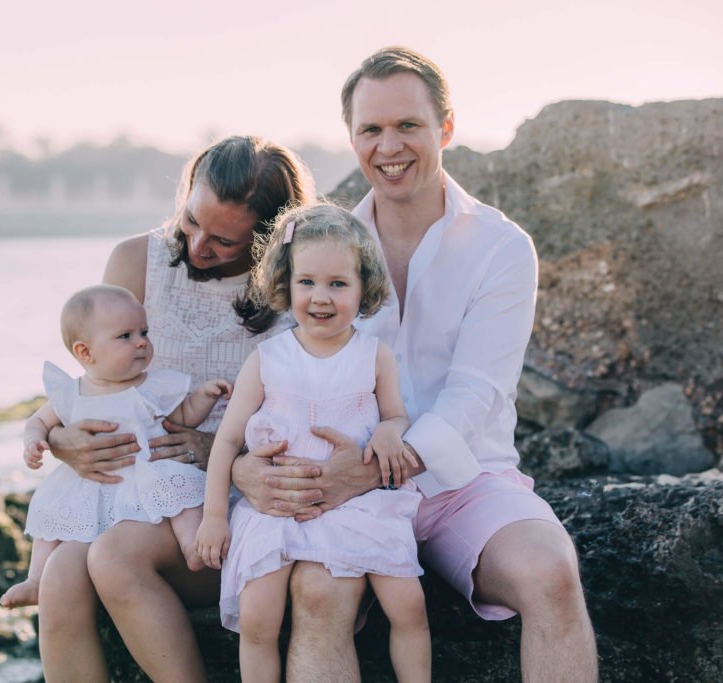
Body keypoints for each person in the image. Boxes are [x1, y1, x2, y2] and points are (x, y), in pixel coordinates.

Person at [231, 47, 599, 681]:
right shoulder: (324, 245)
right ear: (352, 138)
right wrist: (243, 468)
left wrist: (371, 473)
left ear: (446, 128)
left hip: (462, 483)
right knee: (317, 598)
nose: (388, 145)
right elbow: (280, 376)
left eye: (408, 125)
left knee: (551, 573)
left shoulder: (500, 247)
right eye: (371, 129)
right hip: (331, 479)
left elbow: (477, 392)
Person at [39, 136, 316, 682]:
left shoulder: (298, 288)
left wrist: (216, 449)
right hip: (136, 490)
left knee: (114, 557)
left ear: (267, 241)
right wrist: (61, 441)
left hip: (230, 506)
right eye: (191, 221)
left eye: (222, 241)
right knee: (60, 574)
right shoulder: (135, 260)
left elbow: (311, 415)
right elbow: (94, 374)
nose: (195, 247)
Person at [196, 204, 430, 683]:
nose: (320, 297)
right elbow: (226, 441)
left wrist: (389, 431)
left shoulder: (374, 355)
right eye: (307, 282)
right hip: (275, 510)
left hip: (355, 506)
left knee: (409, 606)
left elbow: (396, 414)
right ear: (285, 283)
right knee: (258, 617)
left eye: (338, 284)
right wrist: (215, 516)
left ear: (364, 288)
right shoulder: (267, 359)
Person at [0, 285, 231, 609]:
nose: (141, 342)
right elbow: (38, 421)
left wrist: (205, 396)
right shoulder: (72, 393)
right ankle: (37, 579)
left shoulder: (152, 386)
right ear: (85, 353)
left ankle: (192, 545)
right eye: (125, 336)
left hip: (150, 473)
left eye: (144, 332)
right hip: (95, 480)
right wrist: (35, 442)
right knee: (52, 517)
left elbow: (183, 417)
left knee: (183, 493)